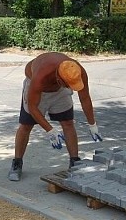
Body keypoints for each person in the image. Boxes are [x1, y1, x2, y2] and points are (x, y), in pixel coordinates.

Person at [9, 52, 102, 181]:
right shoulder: (41, 76)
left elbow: (85, 98)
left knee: (68, 122)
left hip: (60, 91)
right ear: (59, 79)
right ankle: (17, 162)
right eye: (70, 85)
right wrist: (50, 130)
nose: (73, 88)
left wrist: (92, 124)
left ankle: (74, 161)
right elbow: (32, 107)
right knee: (26, 125)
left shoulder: (76, 71)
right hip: (38, 91)